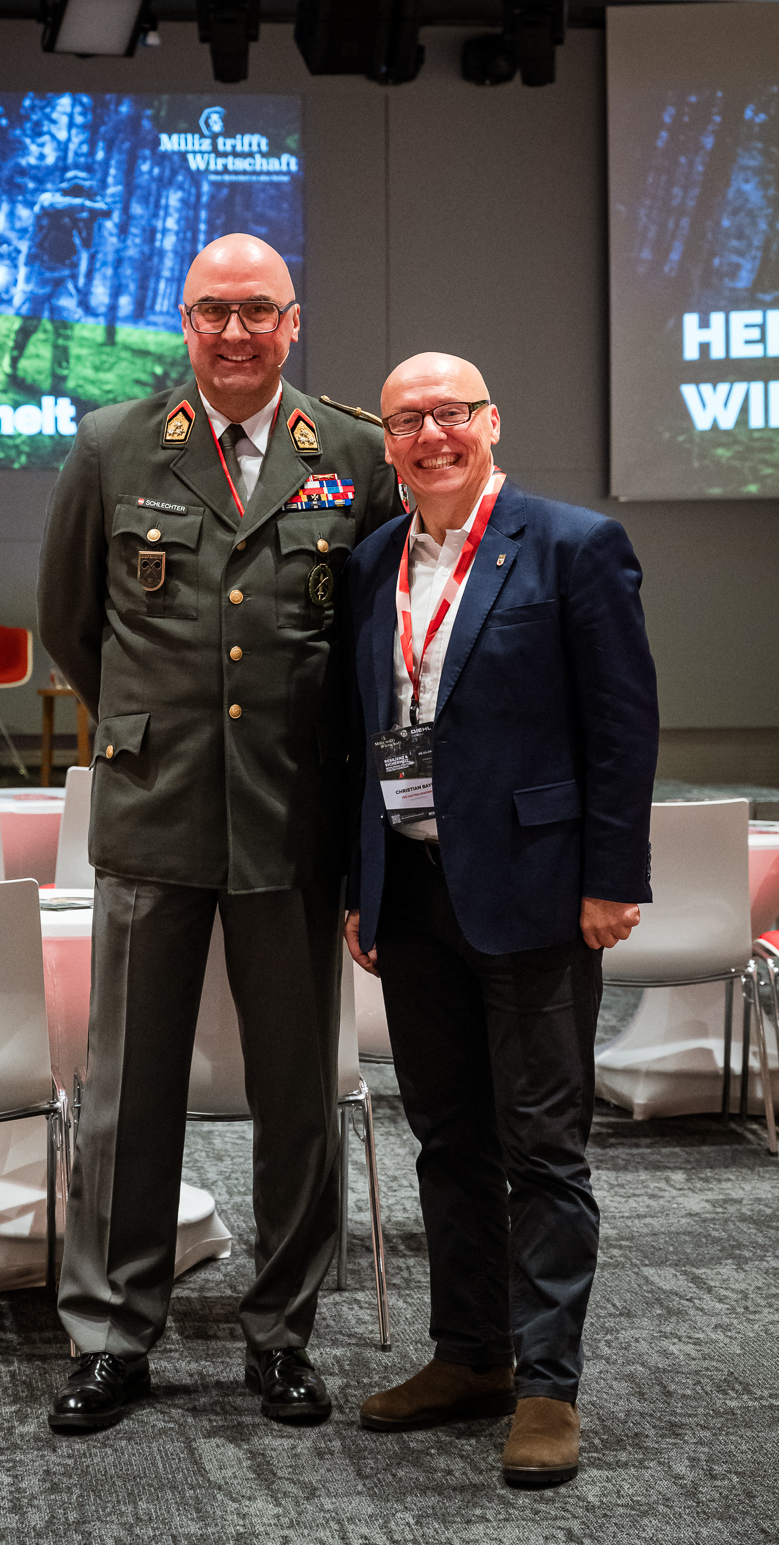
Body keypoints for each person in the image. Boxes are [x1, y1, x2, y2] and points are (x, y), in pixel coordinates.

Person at [37, 233, 402, 1433]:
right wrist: (155, 726)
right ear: (182, 324)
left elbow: (370, 639)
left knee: (299, 1090)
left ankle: (283, 1331)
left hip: (296, 811)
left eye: (257, 312)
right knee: (125, 1087)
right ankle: (111, 1334)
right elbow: (72, 626)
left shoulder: (350, 452)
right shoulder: (112, 444)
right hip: (156, 806)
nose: (234, 333)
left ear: (294, 322)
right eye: (211, 313)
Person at [344, 352, 658, 1487]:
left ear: (490, 419)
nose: (433, 434)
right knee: (448, 1141)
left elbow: (624, 726)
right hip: (417, 896)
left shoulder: (572, 543)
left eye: (452, 413)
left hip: (535, 890)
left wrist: (613, 877)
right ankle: (468, 1354)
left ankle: (546, 1385)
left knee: (544, 1148)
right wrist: (361, 884)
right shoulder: (373, 558)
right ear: (385, 443)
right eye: (408, 420)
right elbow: (370, 734)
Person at [6, 175, 111, 393]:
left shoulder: (80, 213)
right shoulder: (49, 200)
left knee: (64, 329)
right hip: (39, 270)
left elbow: (88, 244)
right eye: (75, 191)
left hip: (65, 274)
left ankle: (58, 384)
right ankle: (11, 365)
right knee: (29, 323)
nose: (77, 195)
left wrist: (91, 218)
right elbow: (55, 205)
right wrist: (89, 205)